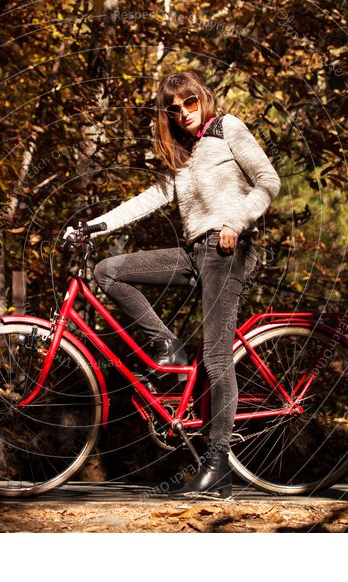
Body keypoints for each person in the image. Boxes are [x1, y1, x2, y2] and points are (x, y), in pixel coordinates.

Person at [64, 70, 281, 498]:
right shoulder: (184, 153)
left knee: (217, 359)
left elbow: (268, 182)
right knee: (109, 271)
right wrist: (92, 226)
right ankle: (168, 344)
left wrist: (236, 221)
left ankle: (217, 465)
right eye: (174, 109)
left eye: (190, 103)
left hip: (227, 251)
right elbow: (148, 199)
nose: (183, 113)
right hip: (195, 253)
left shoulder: (228, 128)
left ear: (203, 98)